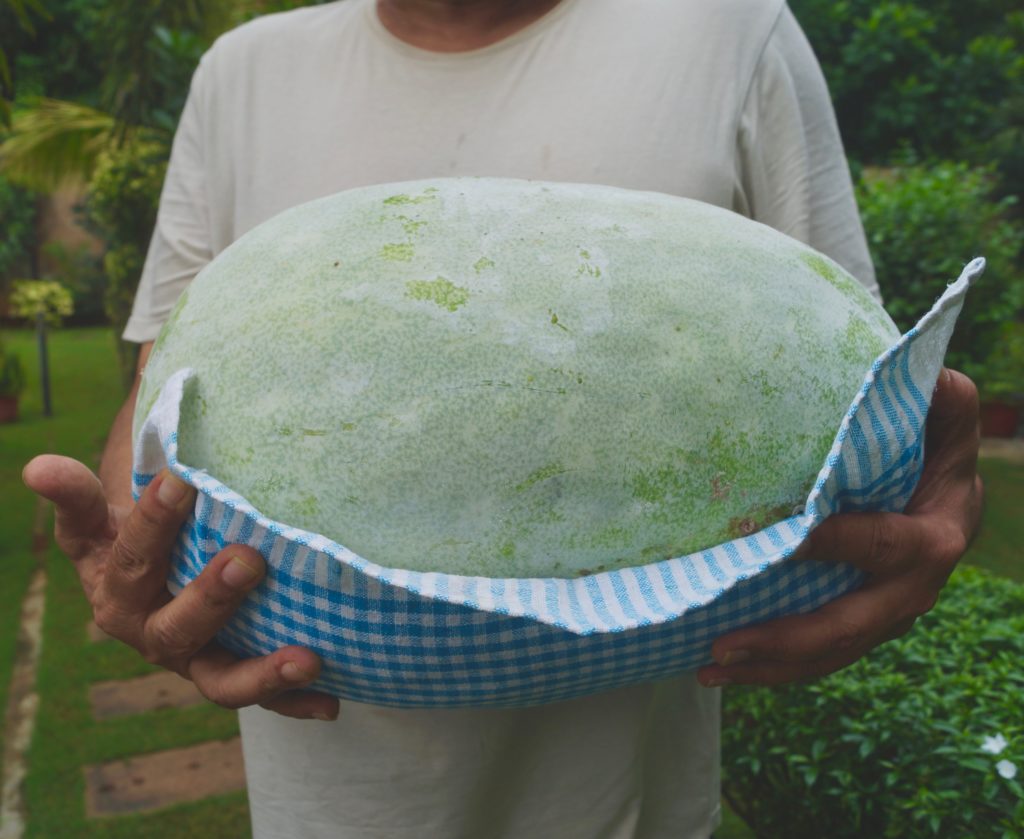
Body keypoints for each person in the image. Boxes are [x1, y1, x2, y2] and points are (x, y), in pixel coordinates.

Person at [23, 0, 984, 836]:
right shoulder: (241, 69)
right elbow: (161, 380)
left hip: (638, 801)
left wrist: (928, 495)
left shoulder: (737, 29)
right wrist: (135, 554)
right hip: (324, 795)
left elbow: (862, 373)